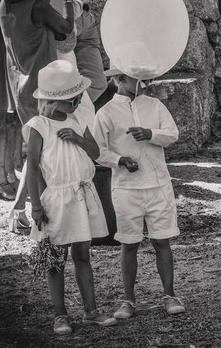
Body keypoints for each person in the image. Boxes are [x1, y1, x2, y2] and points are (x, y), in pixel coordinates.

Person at [25, 60, 117, 334]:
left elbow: (95, 152)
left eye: (78, 98)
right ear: (55, 100)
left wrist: (78, 138)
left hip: (81, 195)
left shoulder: (77, 120)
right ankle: (60, 315)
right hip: (56, 199)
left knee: (82, 254)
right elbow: (31, 167)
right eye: (72, 99)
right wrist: (36, 206)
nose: (77, 103)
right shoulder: (38, 126)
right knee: (55, 259)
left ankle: (91, 311)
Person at [92, 66, 185, 318]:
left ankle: (169, 294)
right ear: (121, 79)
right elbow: (97, 150)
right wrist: (120, 160)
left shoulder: (154, 105)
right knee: (129, 243)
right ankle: (128, 300)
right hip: (126, 189)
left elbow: (172, 134)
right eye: (137, 78)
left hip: (157, 185)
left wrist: (150, 134)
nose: (143, 82)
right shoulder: (106, 113)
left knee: (162, 240)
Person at [0, 0, 76, 232]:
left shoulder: (4, 6)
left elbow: (35, 8)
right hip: (45, 90)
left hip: (20, 88)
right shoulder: (37, 8)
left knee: (36, 152)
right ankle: (34, 210)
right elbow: (65, 28)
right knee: (41, 155)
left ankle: (18, 209)